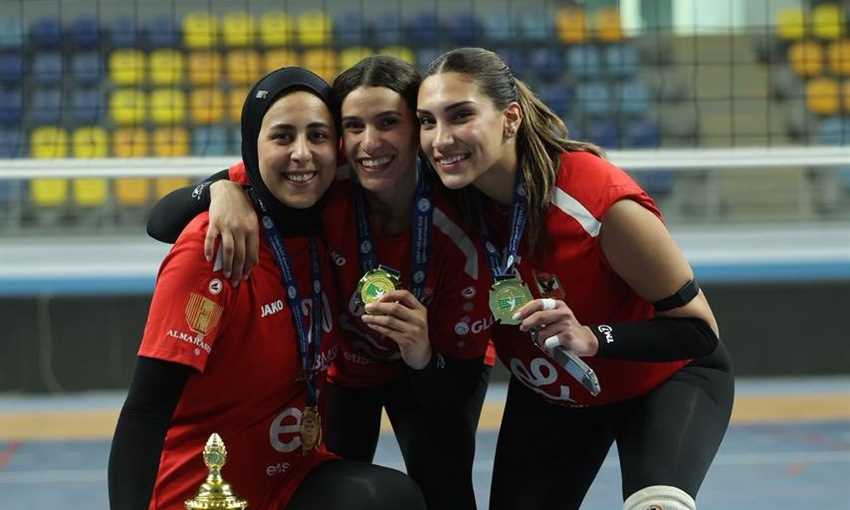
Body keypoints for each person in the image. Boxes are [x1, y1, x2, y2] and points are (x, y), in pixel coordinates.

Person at [144, 56, 494, 510]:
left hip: (431, 362)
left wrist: (422, 353)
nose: (370, 143)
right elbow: (161, 220)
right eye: (353, 126)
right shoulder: (324, 177)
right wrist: (221, 190)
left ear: (418, 128)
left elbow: (454, 396)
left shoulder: (459, 212)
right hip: (348, 368)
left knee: (445, 486)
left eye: (389, 122)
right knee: (344, 489)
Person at [414, 47, 734, 510]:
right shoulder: (446, 203)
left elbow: (699, 332)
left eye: (461, 115)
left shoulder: (596, 202)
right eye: (427, 121)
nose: (441, 139)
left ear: (510, 119)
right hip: (555, 390)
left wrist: (593, 337)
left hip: (663, 379)